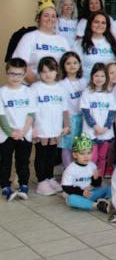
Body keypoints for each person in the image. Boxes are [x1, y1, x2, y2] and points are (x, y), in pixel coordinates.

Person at [32, 57, 70, 195]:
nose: (47, 74)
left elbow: (65, 109)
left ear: (56, 71)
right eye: (43, 71)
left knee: (51, 155)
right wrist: (32, 128)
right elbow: (30, 110)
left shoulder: (61, 88)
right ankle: (41, 182)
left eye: (50, 71)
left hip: (55, 129)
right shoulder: (35, 88)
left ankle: (49, 178)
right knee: (41, 155)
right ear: (39, 73)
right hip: (40, 129)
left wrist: (66, 125)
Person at [0, 58, 36, 201]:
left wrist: (23, 131)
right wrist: (11, 133)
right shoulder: (2, 92)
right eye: (12, 74)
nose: (15, 77)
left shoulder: (29, 92)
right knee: (5, 161)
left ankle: (23, 185)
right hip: (6, 135)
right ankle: (5, 186)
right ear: (7, 73)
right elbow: (1, 116)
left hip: (24, 134)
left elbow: (31, 114)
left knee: (23, 161)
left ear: (24, 74)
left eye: (19, 74)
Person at [13, 0, 70, 83]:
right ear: (38, 18)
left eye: (53, 16)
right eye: (46, 15)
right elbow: (21, 64)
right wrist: (39, 87)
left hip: (57, 87)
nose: (50, 19)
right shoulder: (29, 37)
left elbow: (68, 64)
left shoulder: (63, 40)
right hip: (31, 86)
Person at [61, 134, 112, 213]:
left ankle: (107, 202)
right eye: (82, 153)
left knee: (110, 188)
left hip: (91, 193)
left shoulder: (92, 165)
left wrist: (96, 179)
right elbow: (66, 187)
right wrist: (82, 192)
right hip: (77, 195)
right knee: (71, 199)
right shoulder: (70, 168)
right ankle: (97, 205)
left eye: (89, 153)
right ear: (75, 155)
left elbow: (96, 184)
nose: (86, 156)